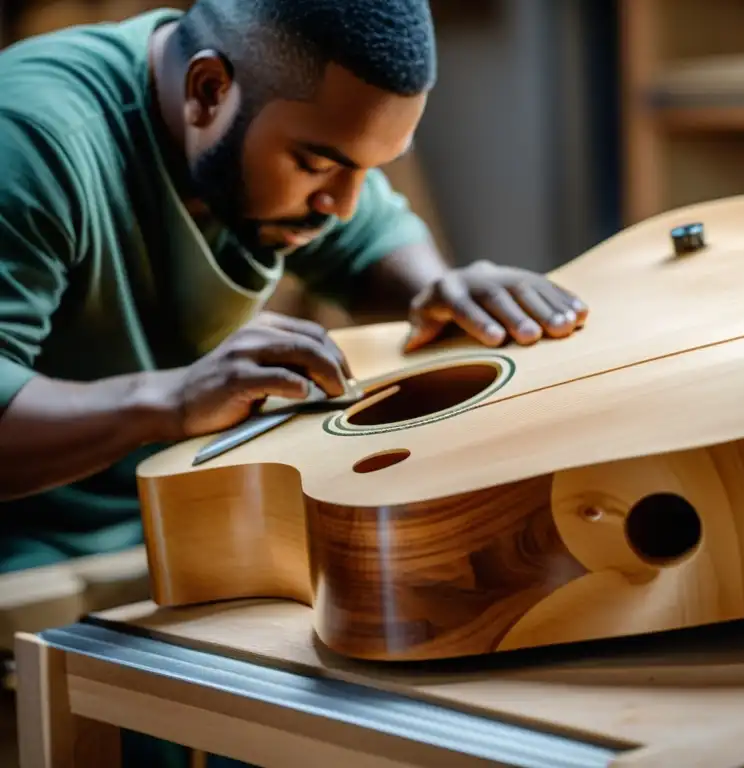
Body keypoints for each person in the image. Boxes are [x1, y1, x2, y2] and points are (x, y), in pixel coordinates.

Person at [0, 0, 587, 764]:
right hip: (30, 553)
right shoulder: (34, 139)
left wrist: (440, 290)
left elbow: (373, 239)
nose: (338, 205)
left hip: (175, 526)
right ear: (209, 91)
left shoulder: (288, 122)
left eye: (365, 170)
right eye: (317, 165)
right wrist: (172, 399)